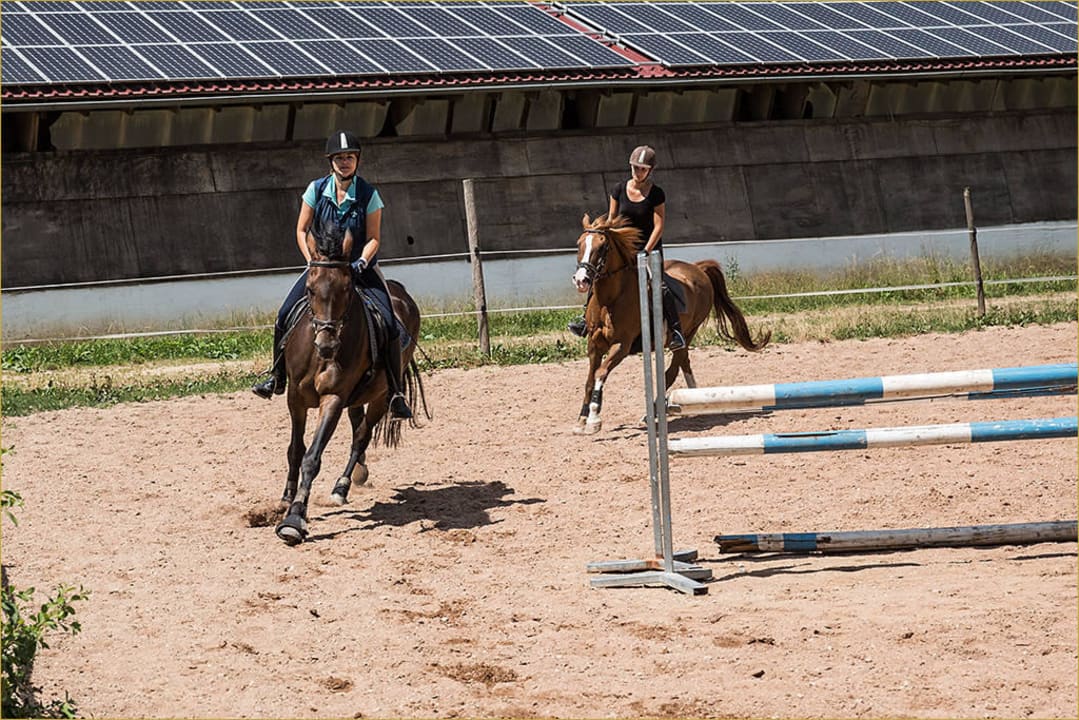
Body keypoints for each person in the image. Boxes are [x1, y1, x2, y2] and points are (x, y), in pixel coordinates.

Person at [252, 130, 412, 420]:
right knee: (284, 314)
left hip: (358, 268)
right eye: (339, 158)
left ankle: (396, 392)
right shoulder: (315, 190)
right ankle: (276, 376)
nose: (345, 162)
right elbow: (301, 230)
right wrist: (312, 261)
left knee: (389, 323)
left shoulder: (369, 194)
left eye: (349, 157)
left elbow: (374, 237)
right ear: (331, 161)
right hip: (323, 270)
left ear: (357, 160)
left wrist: (362, 261)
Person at [568, 144, 686, 349]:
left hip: (649, 249)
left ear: (650, 170)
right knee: (597, 275)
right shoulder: (619, 189)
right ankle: (585, 320)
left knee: (660, 286)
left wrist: (646, 251)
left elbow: (659, 226)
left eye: (642, 169)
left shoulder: (656, 194)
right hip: (623, 249)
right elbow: (612, 219)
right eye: (635, 168)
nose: (638, 172)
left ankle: (676, 331)